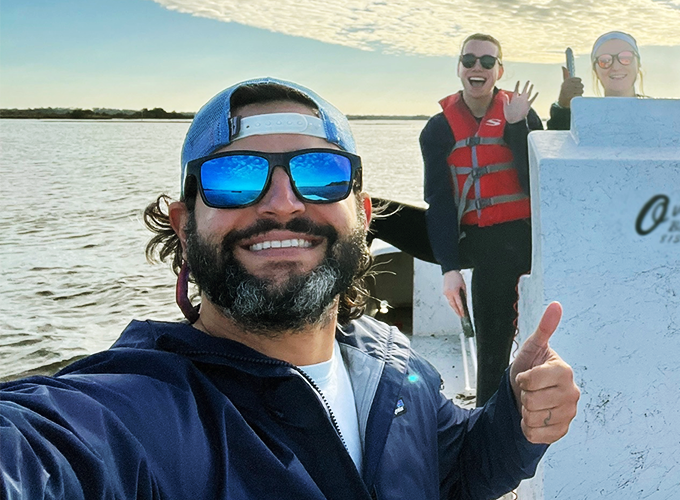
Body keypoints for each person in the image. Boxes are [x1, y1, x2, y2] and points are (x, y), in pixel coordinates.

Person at [0, 77, 579, 499]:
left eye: (320, 174)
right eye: (235, 176)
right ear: (184, 224)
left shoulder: (395, 369)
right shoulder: (140, 412)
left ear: (362, 212)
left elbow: (455, 471)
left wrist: (514, 417)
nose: (282, 202)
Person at [421, 33, 543, 407]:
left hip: (524, 234)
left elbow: (536, 182)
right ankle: (489, 407)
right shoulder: (438, 129)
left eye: (487, 62)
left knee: (505, 279)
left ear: (499, 70)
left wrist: (518, 126)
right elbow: (438, 201)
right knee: (383, 221)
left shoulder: (520, 112)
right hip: (477, 236)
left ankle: (509, 394)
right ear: (459, 68)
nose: (478, 68)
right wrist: (449, 268)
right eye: (470, 60)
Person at [547, 30, 645, 131]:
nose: (616, 66)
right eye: (605, 61)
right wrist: (563, 110)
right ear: (595, 70)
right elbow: (557, 144)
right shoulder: (585, 122)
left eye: (625, 57)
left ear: (638, 64)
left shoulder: (659, 113)